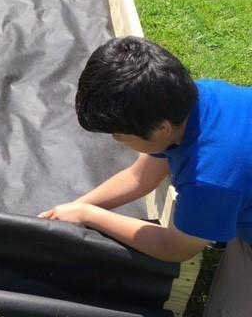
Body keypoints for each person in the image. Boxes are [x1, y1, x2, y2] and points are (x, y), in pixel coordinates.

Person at [39, 36, 251, 317]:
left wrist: (91, 216)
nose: (117, 141)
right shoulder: (193, 100)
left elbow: (173, 248)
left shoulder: (208, 180)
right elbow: (139, 178)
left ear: (161, 128)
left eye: (121, 136)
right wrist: (76, 209)